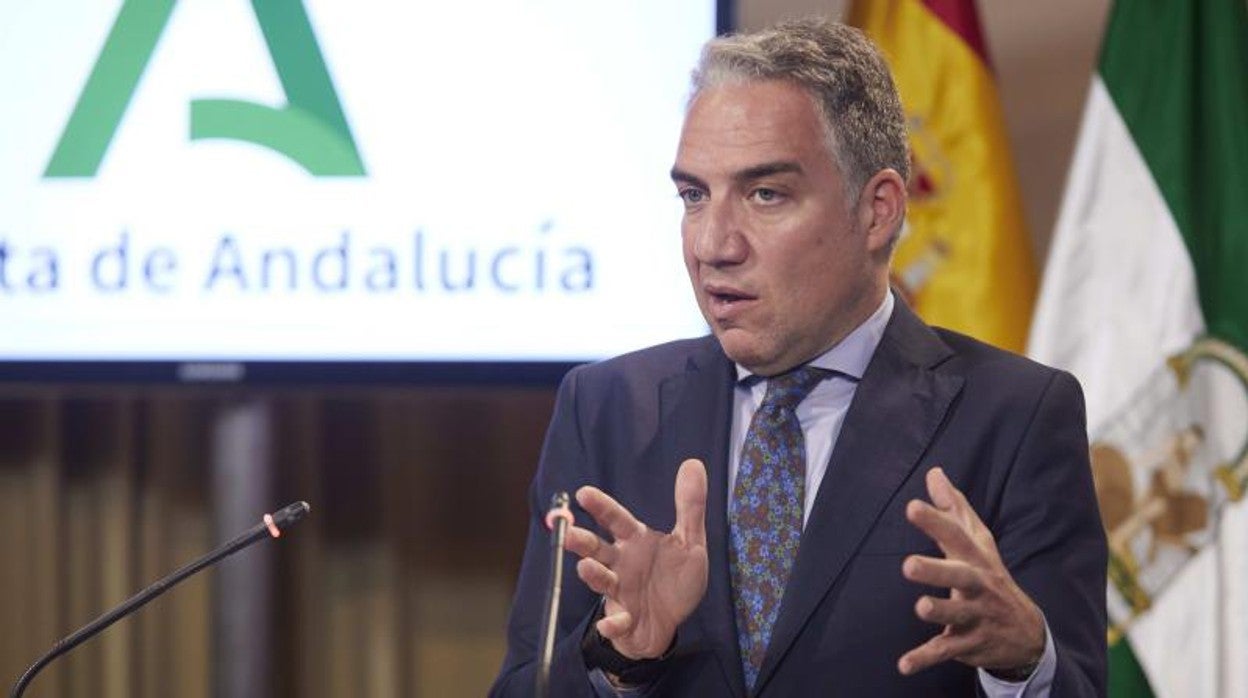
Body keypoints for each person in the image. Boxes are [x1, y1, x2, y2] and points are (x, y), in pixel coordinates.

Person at [491, 17, 1106, 697]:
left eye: (765, 195)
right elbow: (524, 686)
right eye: (694, 196)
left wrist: (1022, 663)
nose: (713, 245)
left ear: (877, 211)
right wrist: (621, 657)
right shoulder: (605, 407)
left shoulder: (1013, 416)